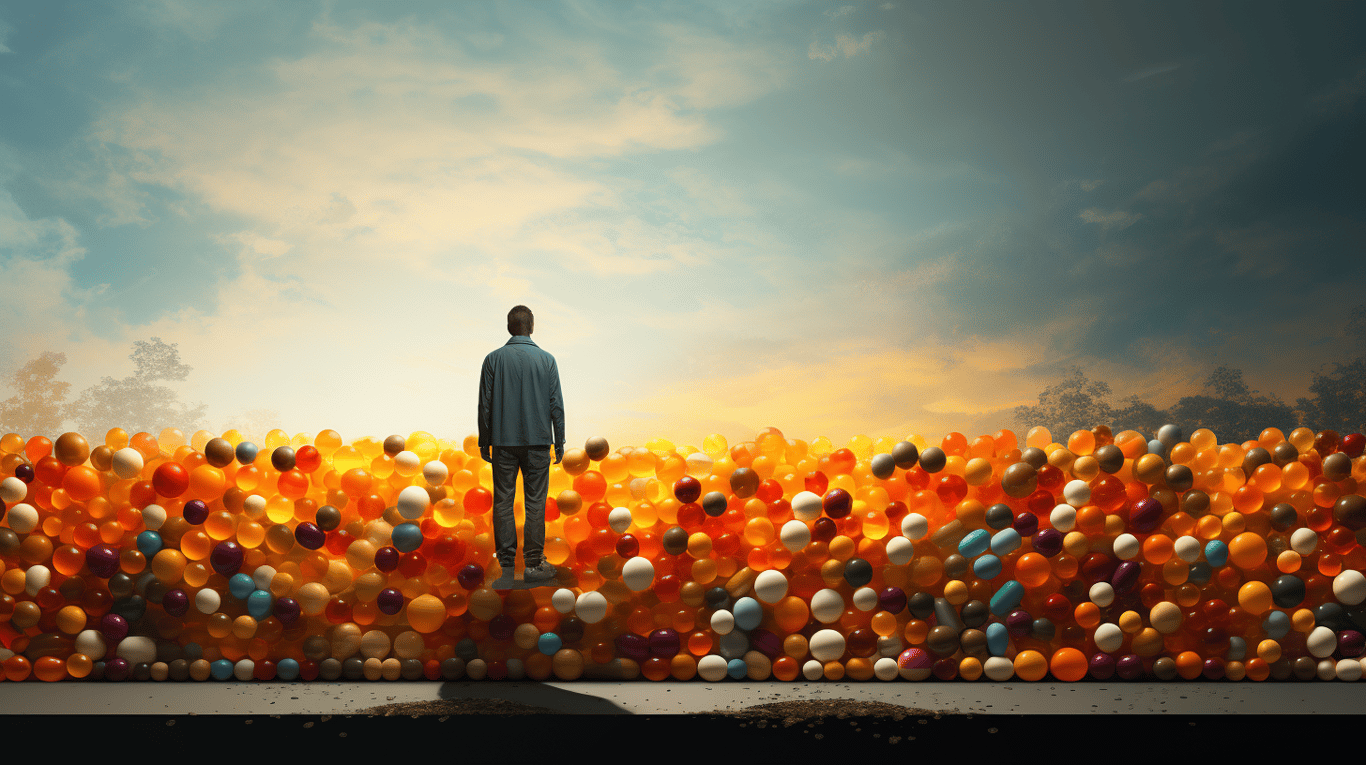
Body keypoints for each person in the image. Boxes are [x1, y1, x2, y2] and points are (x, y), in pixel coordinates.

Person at [478, 305, 565, 583]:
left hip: (502, 441)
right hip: (539, 442)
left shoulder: (492, 359)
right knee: (535, 503)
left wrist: (485, 440)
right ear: (532, 326)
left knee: (503, 501)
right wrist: (559, 439)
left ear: (508, 327)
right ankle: (533, 564)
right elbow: (556, 404)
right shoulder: (547, 360)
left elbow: (485, 404)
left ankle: (505, 568)